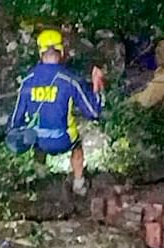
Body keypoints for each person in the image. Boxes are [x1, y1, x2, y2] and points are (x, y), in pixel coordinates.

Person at [7, 29, 105, 195]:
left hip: (39, 141)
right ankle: (79, 183)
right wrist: (98, 85)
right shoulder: (70, 79)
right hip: (64, 140)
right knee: (77, 145)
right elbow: (93, 112)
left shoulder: (27, 80)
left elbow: (16, 118)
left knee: (34, 136)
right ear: (61, 51)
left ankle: (39, 177)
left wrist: (14, 133)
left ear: (40, 52)